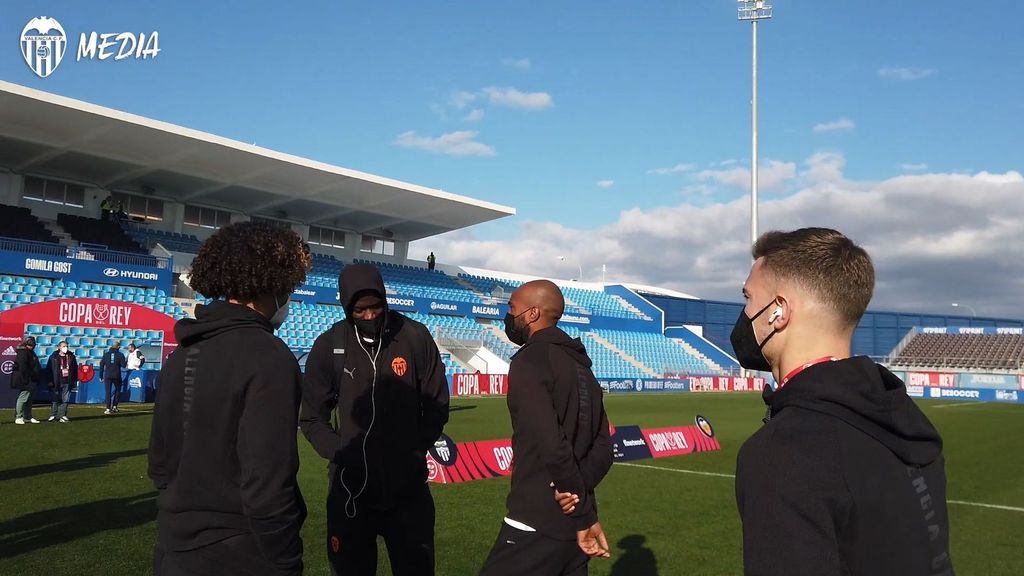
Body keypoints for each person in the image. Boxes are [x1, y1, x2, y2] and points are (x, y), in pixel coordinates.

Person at [732, 228, 954, 576]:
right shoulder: (905, 418)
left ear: (779, 311)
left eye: (748, 298)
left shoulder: (784, 452)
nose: (744, 314)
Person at [148, 221, 311, 575]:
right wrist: (285, 561)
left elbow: (159, 466)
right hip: (241, 551)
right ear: (276, 283)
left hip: (173, 547)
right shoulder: (269, 357)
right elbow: (267, 483)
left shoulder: (181, 354)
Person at [300, 263, 450, 576]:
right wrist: (341, 452)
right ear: (346, 307)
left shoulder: (414, 337)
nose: (370, 315)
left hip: (408, 492)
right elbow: (313, 418)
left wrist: (415, 448)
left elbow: (437, 403)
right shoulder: (329, 346)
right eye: (360, 310)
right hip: (350, 492)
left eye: (376, 307)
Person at [480, 280, 614, 576]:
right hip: (576, 527)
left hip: (536, 520)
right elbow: (604, 447)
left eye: (512, 308)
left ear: (532, 313)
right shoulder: (583, 367)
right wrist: (581, 506)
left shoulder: (530, 359)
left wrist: (572, 499)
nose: (508, 315)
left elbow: (551, 443)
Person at [11, 336, 41, 424]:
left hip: (32, 379)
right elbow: (22, 367)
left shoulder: (31, 352)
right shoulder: (23, 352)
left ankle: (27, 416)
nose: (32, 344)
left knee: (30, 399)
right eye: (31, 342)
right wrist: (30, 375)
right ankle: (18, 416)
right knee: (23, 398)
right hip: (25, 379)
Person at [47, 340, 78, 423]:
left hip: (68, 381)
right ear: (59, 347)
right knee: (55, 398)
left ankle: (63, 415)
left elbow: (75, 369)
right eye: (63, 346)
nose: (65, 348)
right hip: (56, 380)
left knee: (65, 399)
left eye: (66, 346)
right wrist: (50, 380)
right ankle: (53, 415)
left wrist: (74, 381)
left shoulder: (71, 356)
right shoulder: (53, 357)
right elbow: (49, 370)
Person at [100, 341, 127, 414]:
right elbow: (123, 365)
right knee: (117, 390)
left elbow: (101, 365)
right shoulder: (120, 355)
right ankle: (115, 406)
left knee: (108, 392)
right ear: (118, 347)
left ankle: (108, 408)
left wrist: (100, 376)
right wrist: (126, 360)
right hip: (116, 375)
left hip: (108, 375)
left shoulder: (106, 354)